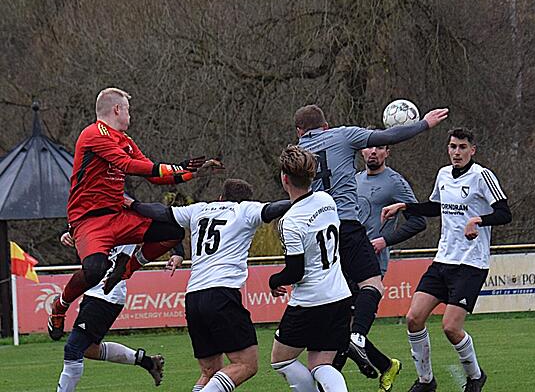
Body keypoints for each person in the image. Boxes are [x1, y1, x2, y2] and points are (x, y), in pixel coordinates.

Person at [49, 87, 216, 341]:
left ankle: (125, 270)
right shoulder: (93, 134)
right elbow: (129, 165)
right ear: (117, 109)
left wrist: (192, 172)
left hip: (118, 214)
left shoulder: (125, 140)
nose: (130, 115)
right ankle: (59, 306)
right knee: (95, 270)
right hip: (90, 220)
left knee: (172, 233)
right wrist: (176, 167)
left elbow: (152, 174)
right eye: (128, 109)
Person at [294, 104, 448, 375]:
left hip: (317, 235)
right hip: (348, 230)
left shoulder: (296, 153)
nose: (373, 150)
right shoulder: (343, 136)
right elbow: (389, 136)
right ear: (326, 125)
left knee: (338, 315)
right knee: (370, 289)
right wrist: (424, 124)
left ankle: (360, 363)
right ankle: (358, 346)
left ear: (299, 131)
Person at [127, 179, 290, 392]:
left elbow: (161, 212)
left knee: (210, 372)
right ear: (246, 200)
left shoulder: (199, 209)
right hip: (221, 295)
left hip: (194, 297)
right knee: (246, 364)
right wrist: (301, 198)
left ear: (221, 197)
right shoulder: (243, 209)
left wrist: (132, 203)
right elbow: (272, 210)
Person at [382, 128, 511, 392]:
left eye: (462, 147)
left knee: (451, 328)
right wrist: (404, 206)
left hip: (471, 264)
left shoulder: (482, 176)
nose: (456, 152)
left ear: (472, 150)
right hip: (443, 260)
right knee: (413, 318)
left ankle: (475, 376)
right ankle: (426, 381)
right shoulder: (443, 174)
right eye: (453, 147)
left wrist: (479, 220)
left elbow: (505, 213)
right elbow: (434, 208)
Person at [269, 145, 352, 392]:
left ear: (285, 178)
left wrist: (274, 280)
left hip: (310, 302)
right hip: (339, 296)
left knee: (281, 359)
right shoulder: (327, 200)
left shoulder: (290, 221)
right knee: (321, 364)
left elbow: (295, 272)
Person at [56, 231, 175, 391]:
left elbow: (167, 227)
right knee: (89, 349)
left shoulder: (129, 219)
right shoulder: (99, 217)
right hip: (93, 291)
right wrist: (72, 233)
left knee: (73, 348)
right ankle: (148, 362)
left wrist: (177, 253)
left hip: (107, 293)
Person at [354, 143, 427, 391]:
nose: (373, 152)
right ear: (361, 152)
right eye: (368, 148)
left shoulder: (395, 182)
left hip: (371, 264)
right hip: (347, 259)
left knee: (342, 328)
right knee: (342, 328)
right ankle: (385, 365)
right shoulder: (354, 179)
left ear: (387, 153)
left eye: (379, 148)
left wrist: (385, 240)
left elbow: (418, 221)